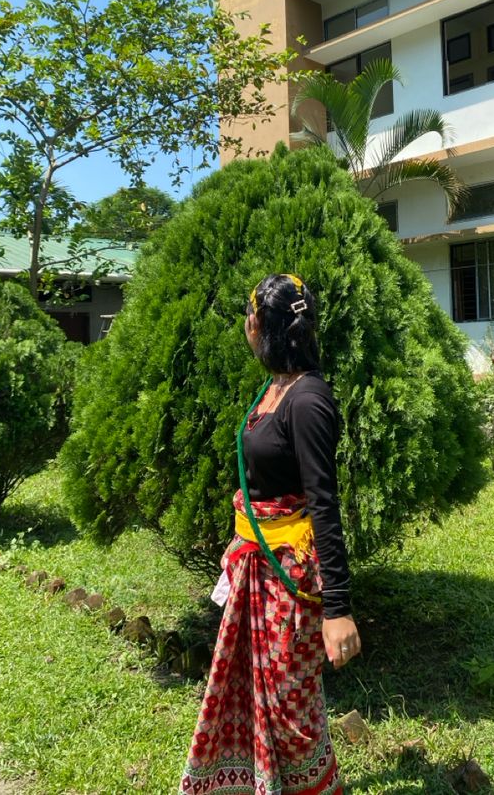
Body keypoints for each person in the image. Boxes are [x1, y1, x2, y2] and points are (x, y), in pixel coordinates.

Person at [179, 273, 361, 795]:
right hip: (255, 568)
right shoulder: (274, 388)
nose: (246, 324)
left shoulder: (307, 400)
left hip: (290, 581)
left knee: (290, 705)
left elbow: (323, 505)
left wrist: (338, 610)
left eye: (249, 315)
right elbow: (261, 486)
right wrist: (241, 538)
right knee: (253, 694)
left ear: (263, 324)